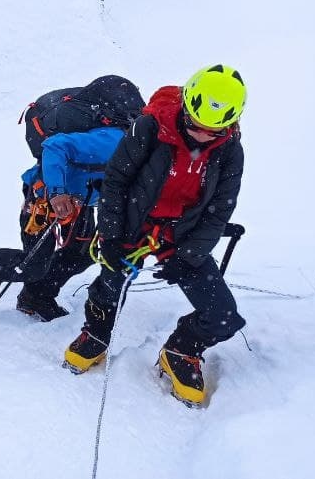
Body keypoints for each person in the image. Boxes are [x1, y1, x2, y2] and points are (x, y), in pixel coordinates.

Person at [63, 65, 247, 406]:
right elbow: (116, 183)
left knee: (222, 316)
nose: (201, 136)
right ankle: (97, 332)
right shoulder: (150, 127)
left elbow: (219, 211)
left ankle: (181, 349)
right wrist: (112, 237)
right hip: (134, 223)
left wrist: (187, 257)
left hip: (184, 234)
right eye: (195, 125)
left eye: (213, 130)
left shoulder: (230, 150)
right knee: (109, 285)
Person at [0, 125, 128, 321]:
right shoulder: (115, 142)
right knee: (34, 265)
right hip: (44, 196)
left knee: (82, 254)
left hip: (80, 200)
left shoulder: (148, 163)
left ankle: (36, 297)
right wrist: (57, 192)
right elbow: (55, 146)